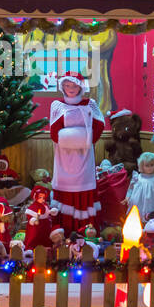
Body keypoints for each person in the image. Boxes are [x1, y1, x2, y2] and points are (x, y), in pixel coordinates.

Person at [48, 71, 105, 232]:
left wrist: (79, 139)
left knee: (84, 189)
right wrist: (80, 137)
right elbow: (54, 132)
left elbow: (98, 127)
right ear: (62, 87)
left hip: (85, 158)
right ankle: (65, 231)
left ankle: (87, 231)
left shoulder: (90, 104)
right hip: (64, 159)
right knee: (66, 191)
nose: (71, 88)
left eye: (74, 85)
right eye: (67, 85)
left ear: (80, 87)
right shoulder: (57, 106)